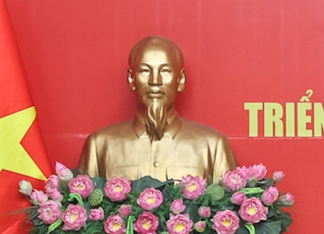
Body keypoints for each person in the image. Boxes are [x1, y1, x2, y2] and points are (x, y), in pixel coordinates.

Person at [77, 36, 237, 182]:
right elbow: (83, 202)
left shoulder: (213, 146)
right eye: (145, 71)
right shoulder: (100, 145)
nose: (155, 81)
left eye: (165, 71)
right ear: (131, 79)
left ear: (180, 80)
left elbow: (227, 203)